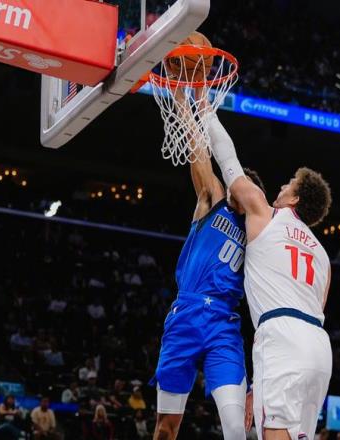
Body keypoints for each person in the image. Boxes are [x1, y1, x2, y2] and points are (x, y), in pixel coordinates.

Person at [206, 109, 333, 440]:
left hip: (281, 335)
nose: (282, 185)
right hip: (319, 347)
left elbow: (229, 162)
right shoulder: (323, 256)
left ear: (295, 198)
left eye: (289, 183)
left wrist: (206, 112)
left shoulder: (266, 213)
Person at [150, 88, 266, 440]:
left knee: (235, 427)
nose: (236, 187)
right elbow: (198, 150)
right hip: (186, 314)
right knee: (166, 426)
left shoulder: (258, 232)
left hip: (223, 325)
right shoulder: (214, 198)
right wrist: (182, 103)